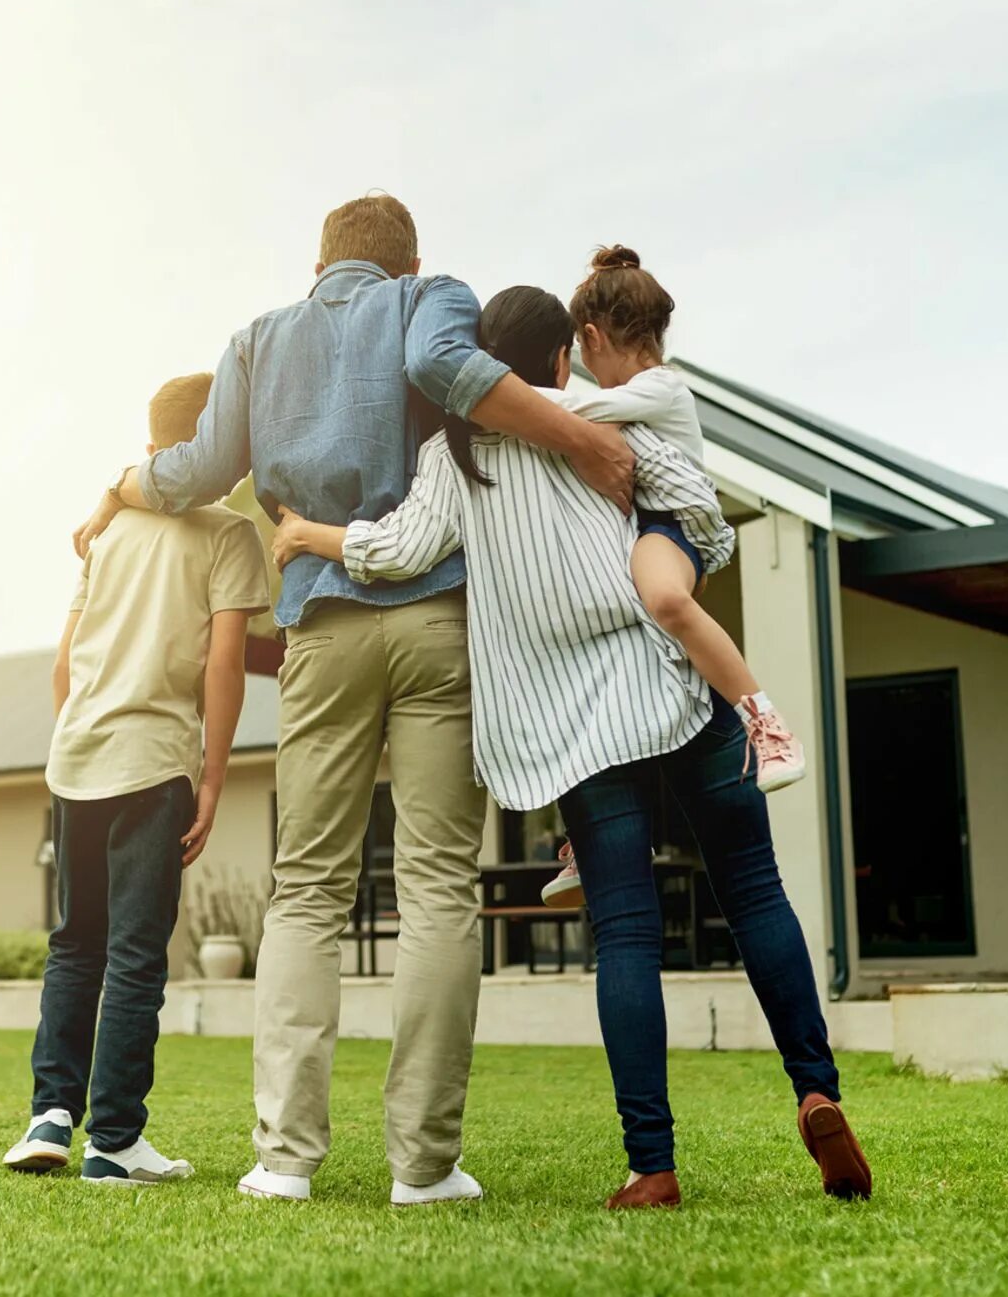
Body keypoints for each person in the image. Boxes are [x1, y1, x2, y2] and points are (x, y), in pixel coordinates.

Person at [71, 193, 635, 1206]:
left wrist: (124, 480)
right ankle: (423, 1167)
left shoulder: (258, 339)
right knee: (435, 889)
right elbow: (445, 371)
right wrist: (582, 439)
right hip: (435, 626)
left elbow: (199, 470)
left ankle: (284, 1160)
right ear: (406, 258)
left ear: (321, 261)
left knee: (307, 890)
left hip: (321, 629)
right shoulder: (431, 296)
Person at [274, 276, 871, 1209]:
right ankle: (816, 1088)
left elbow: (396, 550)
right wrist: (675, 558)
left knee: (625, 934)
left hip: (578, 733)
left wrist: (306, 532)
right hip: (670, 686)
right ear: (562, 358)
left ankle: (653, 1165)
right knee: (755, 892)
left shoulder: (454, 452)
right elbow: (697, 510)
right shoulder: (602, 422)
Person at [4, 373, 269, 1186]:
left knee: (74, 943)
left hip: (76, 758)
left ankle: (51, 1114)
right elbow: (226, 661)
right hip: (153, 764)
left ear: (153, 450)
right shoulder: (228, 534)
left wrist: (78, 736)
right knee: (134, 954)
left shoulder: (107, 532)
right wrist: (214, 777)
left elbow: (62, 662)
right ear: (218, 448)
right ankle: (113, 1138)